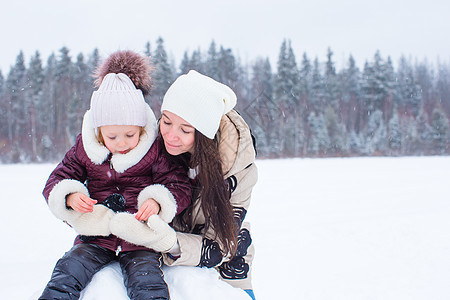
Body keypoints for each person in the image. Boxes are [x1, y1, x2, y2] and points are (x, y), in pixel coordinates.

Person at [39, 51, 191, 300]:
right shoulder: (84, 148)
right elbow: (57, 180)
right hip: (95, 236)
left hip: (140, 236)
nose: (122, 143)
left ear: (141, 128)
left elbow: (178, 184)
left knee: (147, 282)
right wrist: (69, 196)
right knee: (68, 269)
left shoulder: (154, 149)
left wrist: (157, 202)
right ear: (99, 133)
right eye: (112, 137)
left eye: (130, 135)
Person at [118, 70, 258, 299]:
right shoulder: (152, 150)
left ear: (204, 134)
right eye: (167, 121)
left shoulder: (238, 170)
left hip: (225, 260)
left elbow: (221, 245)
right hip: (164, 253)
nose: (170, 135)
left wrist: (166, 242)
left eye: (185, 130)